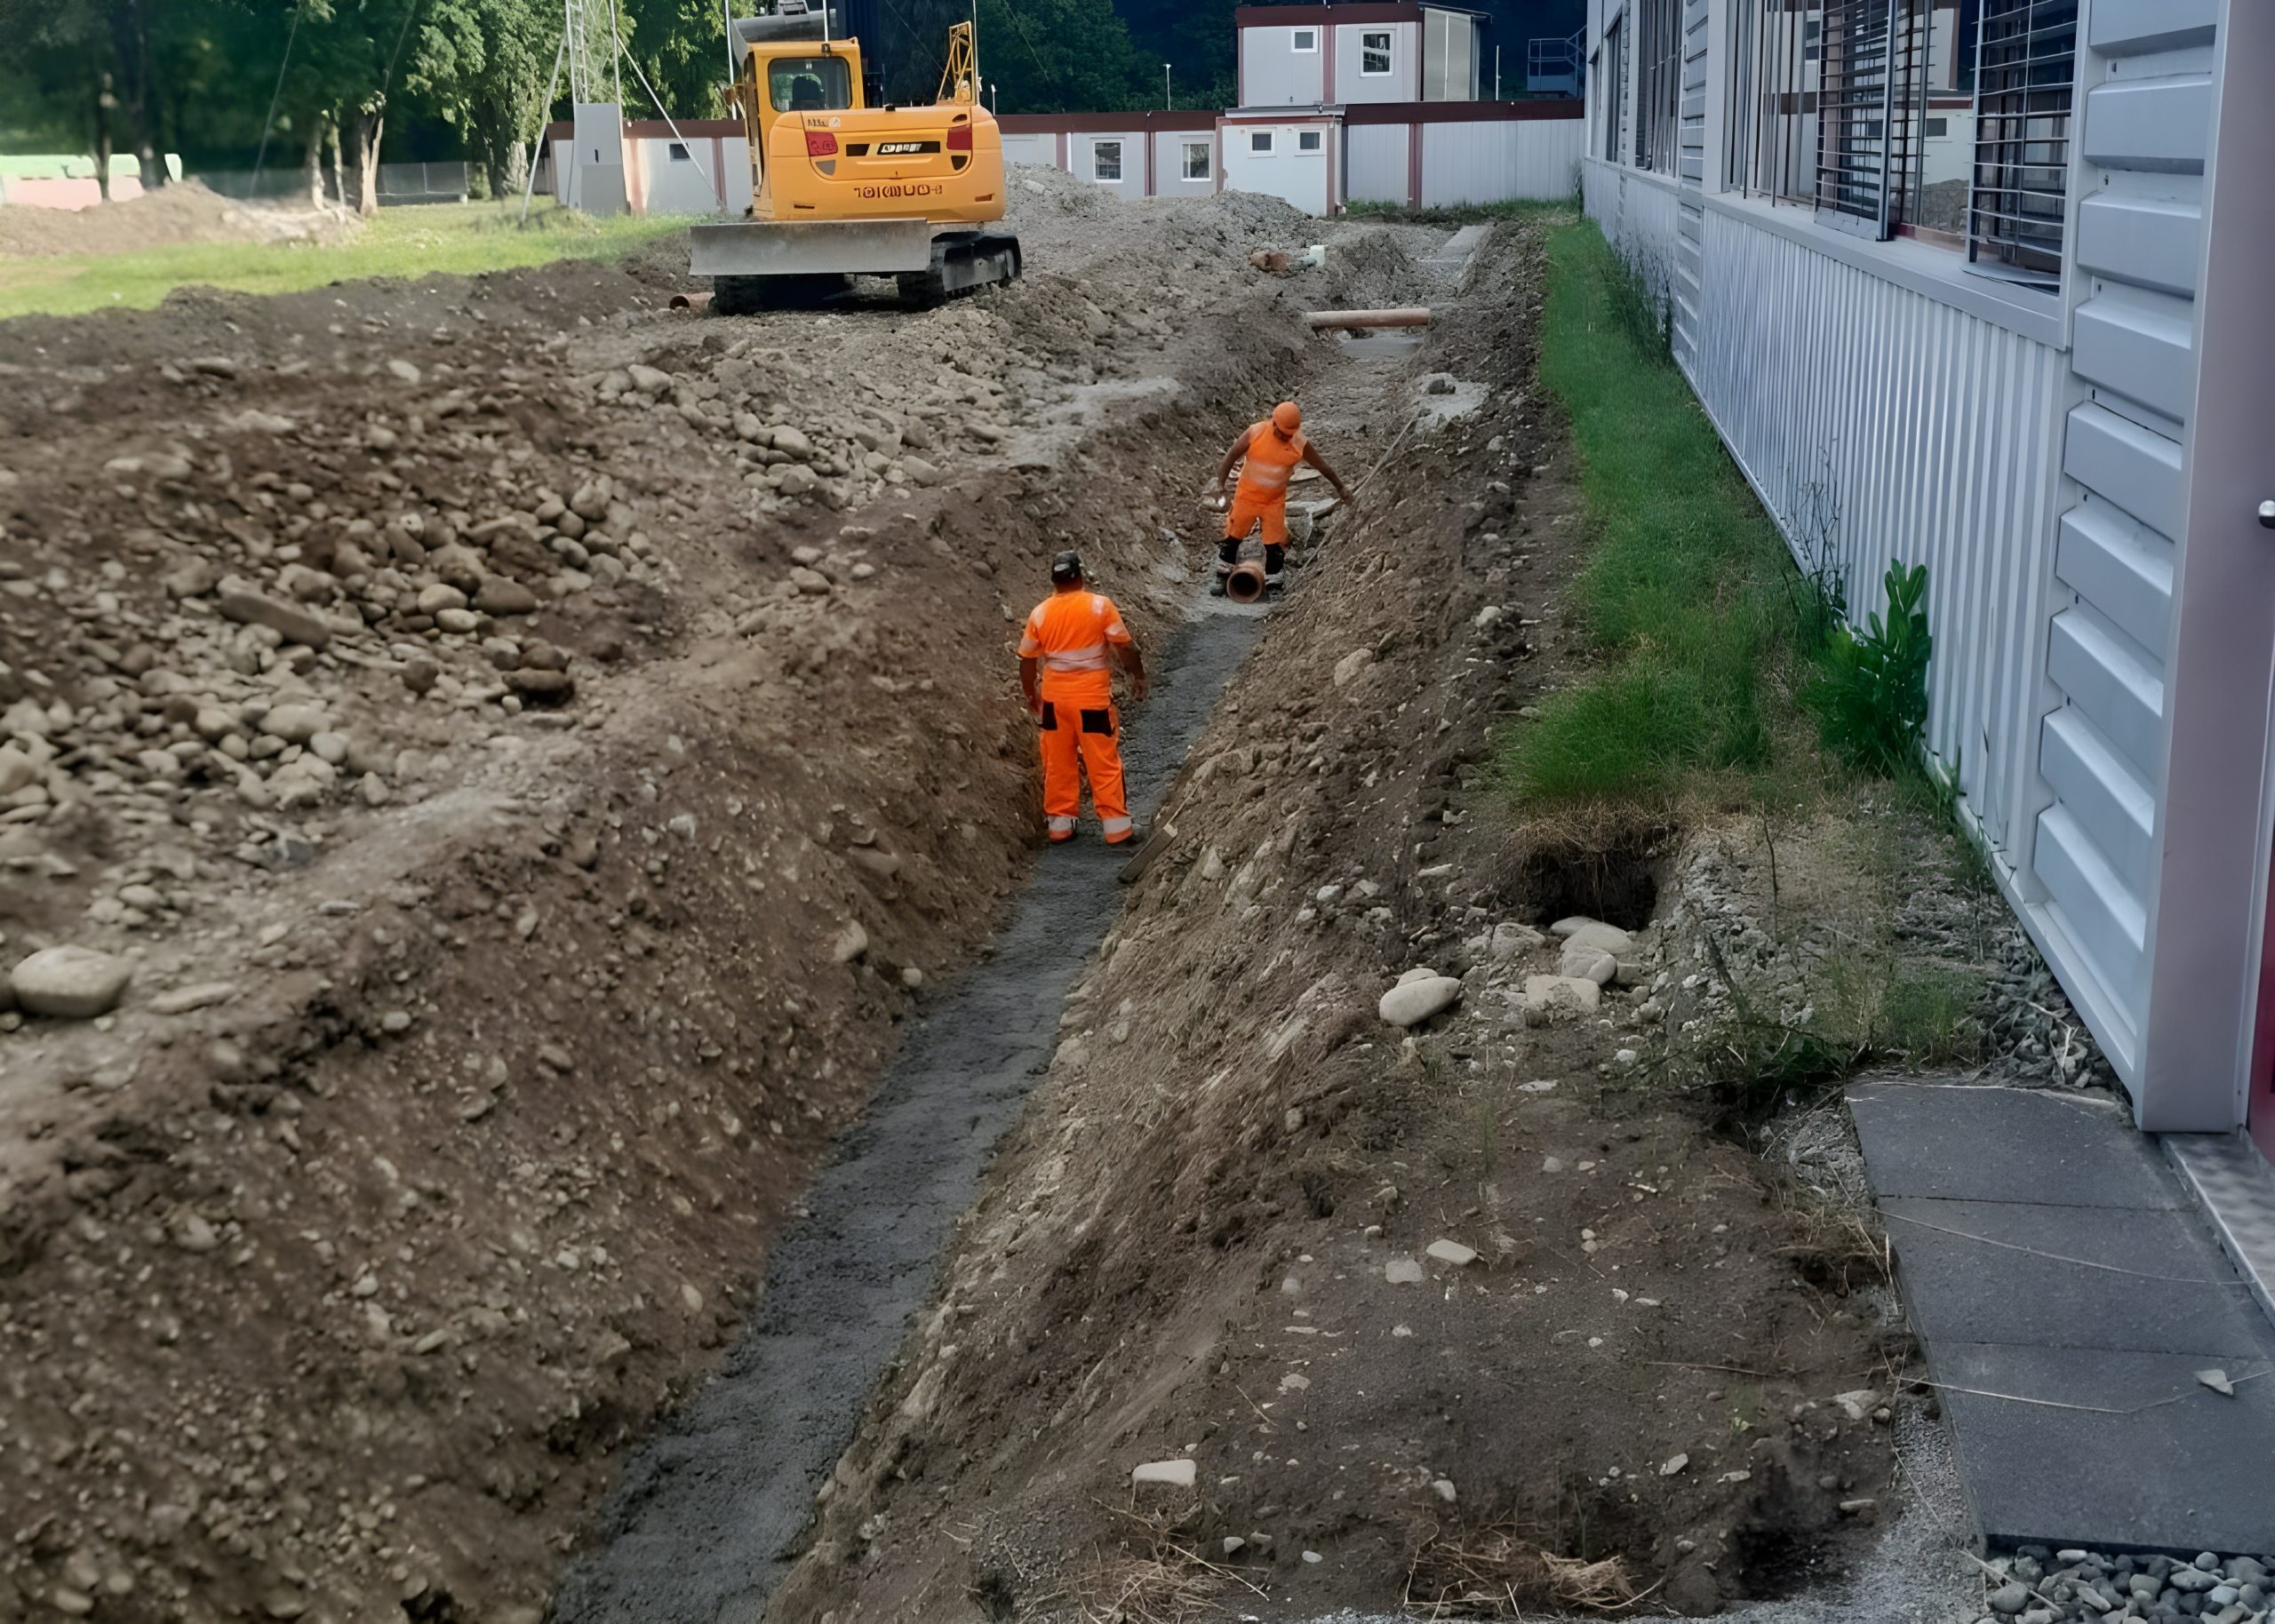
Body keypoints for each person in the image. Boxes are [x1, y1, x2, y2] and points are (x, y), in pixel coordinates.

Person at [1018, 550, 1148, 845]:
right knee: (1102, 760)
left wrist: (1031, 695)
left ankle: (1060, 826)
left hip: (1053, 702)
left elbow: (1026, 661)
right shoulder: (1099, 607)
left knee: (1057, 762)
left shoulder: (1040, 613)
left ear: (1053, 580)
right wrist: (1138, 677)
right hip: (1091, 701)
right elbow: (1126, 648)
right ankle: (1118, 829)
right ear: (1080, 576)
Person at [1209, 400, 1355, 598]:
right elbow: (1231, 455)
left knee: (1274, 544)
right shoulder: (1256, 432)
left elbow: (1323, 467)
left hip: (1273, 502)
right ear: (1274, 423)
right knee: (1233, 535)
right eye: (1282, 433)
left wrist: (1341, 488)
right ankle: (1222, 575)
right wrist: (1220, 483)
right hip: (1247, 497)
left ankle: (1274, 584)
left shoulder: (1299, 443)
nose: (1285, 437)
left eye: (1289, 434)